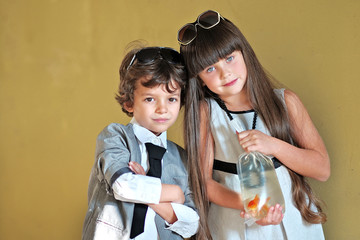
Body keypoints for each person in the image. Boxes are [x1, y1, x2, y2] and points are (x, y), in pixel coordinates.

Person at [177, 10, 330, 240]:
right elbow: (203, 183)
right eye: (210, 69)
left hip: (293, 222)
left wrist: (274, 146)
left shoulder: (285, 102)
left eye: (230, 58)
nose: (224, 72)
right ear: (198, 78)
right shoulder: (206, 112)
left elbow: (322, 169)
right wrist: (251, 206)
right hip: (234, 225)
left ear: (244, 53)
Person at [82, 45, 199, 240]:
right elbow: (123, 185)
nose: (163, 109)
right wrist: (174, 194)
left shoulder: (182, 158)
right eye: (150, 99)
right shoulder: (115, 137)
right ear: (129, 102)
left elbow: (192, 224)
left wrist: (152, 196)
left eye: (171, 99)